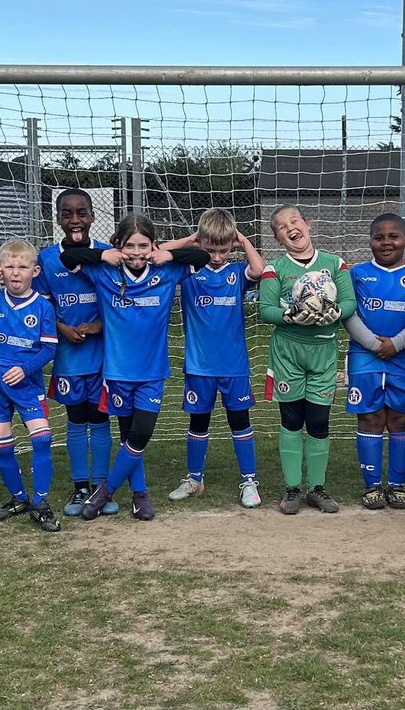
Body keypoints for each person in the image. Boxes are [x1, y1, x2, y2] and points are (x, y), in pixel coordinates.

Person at [60, 214, 210, 521]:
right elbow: (68, 256)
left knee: (140, 435)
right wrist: (105, 254)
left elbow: (203, 256)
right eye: (130, 245)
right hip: (116, 372)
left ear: (153, 246)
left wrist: (167, 253)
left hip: (152, 372)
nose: (137, 252)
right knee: (129, 435)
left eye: (144, 245)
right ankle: (140, 496)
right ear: (118, 246)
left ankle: (105, 492)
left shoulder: (167, 273)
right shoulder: (103, 273)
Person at [160, 209, 266, 508]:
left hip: (234, 366)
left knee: (239, 421)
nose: (216, 257)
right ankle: (195, 479)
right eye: (210, 250)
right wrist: (193, 240)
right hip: (199, 366)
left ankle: (249, 481)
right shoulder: (190, 270)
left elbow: (259, 270)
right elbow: (157, 253)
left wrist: (242, 240)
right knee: (198, 422)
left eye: (222, 250)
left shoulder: (236, 273)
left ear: (231, 246)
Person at [258, 204, 356, 515]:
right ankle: (291, 489)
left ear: (308, 224)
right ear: (278, 237)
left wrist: (336, 312)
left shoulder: (335, 264)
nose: (290, 228)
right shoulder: (275, 269)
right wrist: (291, 314)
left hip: (323, 354)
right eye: (282, 227)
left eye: (294, 221)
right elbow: (266, 310)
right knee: (291, 420)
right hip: (288, 354)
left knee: (318, 421)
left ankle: (317, 488)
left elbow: (350, 301)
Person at [342, 213, 405, 510]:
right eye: (379, 237)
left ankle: (396, 486)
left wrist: (397, 343)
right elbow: (348, 312)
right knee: (369, 416)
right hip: (364, 356)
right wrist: (373, 344)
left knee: (400, 418)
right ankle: (371, 487)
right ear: (370, 241)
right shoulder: (356, 274)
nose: (386, 242)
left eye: (393, 236)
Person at [33, 189, 116, 517]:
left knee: (100, 418)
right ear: (58, 219)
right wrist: (61, 328)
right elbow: (40, 306)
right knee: (76, 419)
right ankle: (81, 486)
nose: (75, 220)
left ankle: (102, 486)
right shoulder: (47, 259)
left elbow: (122, 300)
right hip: (68, 358)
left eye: (81, 213)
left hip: (104, 357)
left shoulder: (109, 255)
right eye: (67, 214)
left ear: (93, 216)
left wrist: (100, 325)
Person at [0, 239, 60, 532]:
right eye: (9, 266)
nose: (15, 272)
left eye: (22, 266)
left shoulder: (44, 307)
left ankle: (42, 501)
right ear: (0, 270)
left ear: (35, 271)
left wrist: (25, 369)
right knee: (2, 445)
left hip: (26, 381)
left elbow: (49, 350)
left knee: (42, 438)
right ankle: (18, 497)